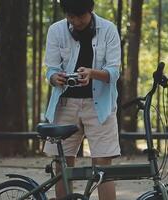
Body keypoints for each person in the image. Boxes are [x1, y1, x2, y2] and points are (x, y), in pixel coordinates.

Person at [43, 0, 121, 199]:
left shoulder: (108, 29)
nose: (75, 21)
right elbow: (51, 69)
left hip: (100, 106)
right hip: (65, 105)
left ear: (91, 10)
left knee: (104, 170)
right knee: (62, 166)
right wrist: (55, 78)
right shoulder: (56, 31)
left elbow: (114, 71)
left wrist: (92, 74)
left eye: (80, 16)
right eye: (70, 16)